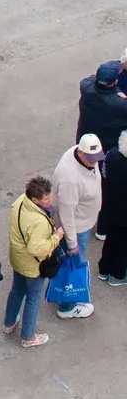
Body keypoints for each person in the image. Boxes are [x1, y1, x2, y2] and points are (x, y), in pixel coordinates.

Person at [4, 176, 67, 348]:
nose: (50, 200)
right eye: (46, 199)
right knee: (33, 299)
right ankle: (28, 337)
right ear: (35, 199)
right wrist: (56, 237)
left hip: (18, 259)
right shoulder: (39, 221)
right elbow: (36, 249)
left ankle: (9, 323)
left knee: (16, 290)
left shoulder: (19, 202)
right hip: (33, 266)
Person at [50, 133, 105, 319]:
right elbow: (66, 213)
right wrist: (72, 242)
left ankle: (68, 298)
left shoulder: (80, 156)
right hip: (76, 228)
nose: (94, 163)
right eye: (91, 159)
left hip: (83, 221)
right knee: (72, 266)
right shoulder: (70, 180)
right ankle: (67, 307)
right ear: (80, 154)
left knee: (70, 265)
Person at [97, 130, 127, 286]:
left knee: (111, 240)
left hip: (110, 206)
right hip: (124, 215)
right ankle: (117, 275)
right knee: (122, 247)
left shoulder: (112, 155)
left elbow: (104, 174)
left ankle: (104, 269)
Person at [77, 60, 127, 144]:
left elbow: (93, 77)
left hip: (85, 138)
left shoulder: (85, 86)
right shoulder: (120, 104)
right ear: (116, 81)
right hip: (107, 143)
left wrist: (117, 91)